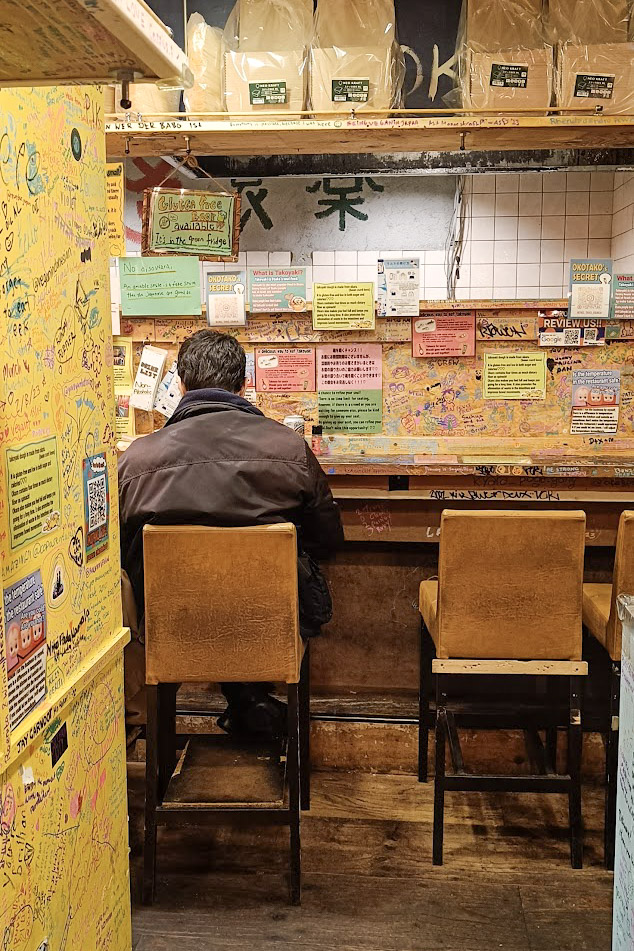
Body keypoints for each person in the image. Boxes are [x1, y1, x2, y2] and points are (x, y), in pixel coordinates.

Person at [118, 329, 343, 737]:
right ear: (243, 384)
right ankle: (249, 699)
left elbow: (115, 550)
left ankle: (239, 704)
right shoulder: (289, 449)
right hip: (269, 628)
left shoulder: (137, 460)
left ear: (181, 384)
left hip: (169, 632)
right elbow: (328, 538)